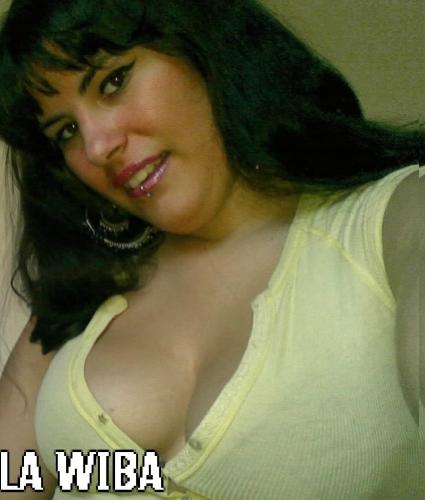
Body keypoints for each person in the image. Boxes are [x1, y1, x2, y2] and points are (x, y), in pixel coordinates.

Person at [0, 0, 422, 498]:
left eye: (112, 82)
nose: (96, 147)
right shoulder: (79, 295)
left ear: (205, 47)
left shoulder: (395, 221)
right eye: (66, 131)